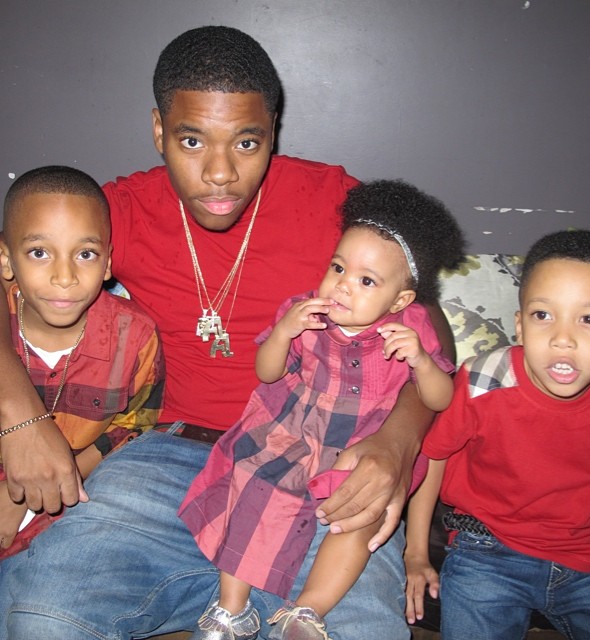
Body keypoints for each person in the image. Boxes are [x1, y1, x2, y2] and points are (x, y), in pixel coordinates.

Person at [0, 26, 456, 639]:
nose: (220, 173)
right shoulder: (117, 211)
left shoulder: (332, 203)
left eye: (247, 142)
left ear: (273, 131)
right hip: (163, 462)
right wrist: (19, 417)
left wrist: (398, 443)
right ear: (159, 130)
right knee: (43, 618)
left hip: (320, 469)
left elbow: (430, 326)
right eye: (191, 141)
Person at [182, 179, 464, 640]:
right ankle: (232, 610)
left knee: (360, 519)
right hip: (296, 432)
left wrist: (422, 362)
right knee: (253, 485)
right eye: (338, 267)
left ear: (399, 300)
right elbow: (267, 372)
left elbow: (440, 399)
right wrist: (283, 333)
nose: (343, 285)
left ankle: (307, 612)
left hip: (361, 449)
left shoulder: (410, 328)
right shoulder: (305, 313)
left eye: (366, 281)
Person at [416, 229, 590, 639]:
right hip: (486, 549)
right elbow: (434, 454)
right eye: (542, 315)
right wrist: (415, 551)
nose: (562, 339)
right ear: (519, 326)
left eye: (589, 319)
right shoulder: (483, 380)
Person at [0, 165, 165, 559]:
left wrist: (31, 490)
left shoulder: (134, 338)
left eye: (85, 254)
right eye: (39, 253)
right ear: (6, 259)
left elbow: (134, 426)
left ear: (107, 263)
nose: (65, 277)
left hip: (67, 512)